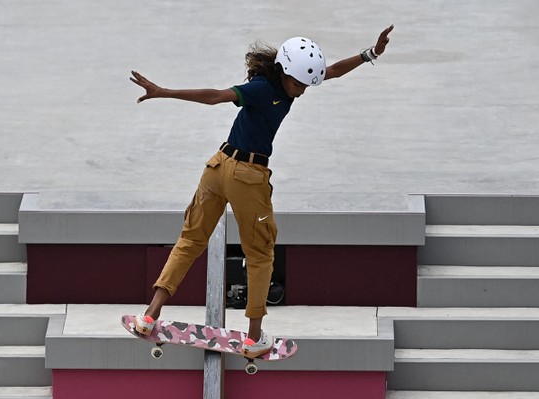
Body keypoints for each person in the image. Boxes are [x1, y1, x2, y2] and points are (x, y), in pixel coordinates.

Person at [130, 26, 394, 357]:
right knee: (260, 252)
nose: (300, 91)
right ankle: (254, 338)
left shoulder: (294, 78)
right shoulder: (259, 88)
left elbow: (334, 71)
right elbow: (216, 96)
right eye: (297, 84)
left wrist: (371, 53)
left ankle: (149, 317)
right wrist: (164, 92)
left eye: (305, 85)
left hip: (217, 168)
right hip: (247, 177)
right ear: (284, 71)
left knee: (191, 240)